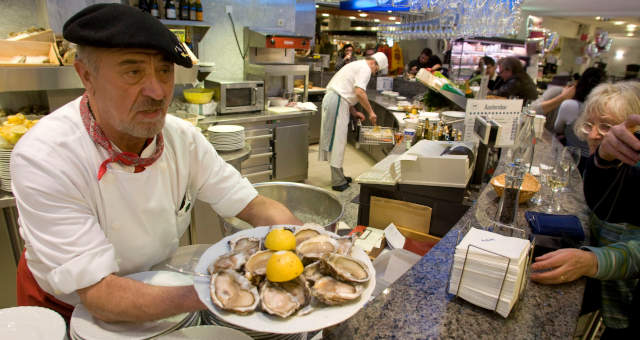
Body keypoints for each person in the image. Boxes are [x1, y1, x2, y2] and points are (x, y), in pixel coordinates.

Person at [12, 3, 301, 324]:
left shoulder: (183, 139)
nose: (157, 90)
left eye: (164, 71)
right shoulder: (46, 157)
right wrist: (220, 291)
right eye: (133, 71)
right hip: (69, 306)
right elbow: (100, 296)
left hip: (152, 290)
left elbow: (255, 205)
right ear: (86, 76)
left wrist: (305, 247)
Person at [531, 82, 640, 338]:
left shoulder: (632, 173)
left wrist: (590, 260)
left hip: (616, 302)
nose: (593, 135)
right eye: (589, 125)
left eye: (607, 127)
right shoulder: (602, 164)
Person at [319, 52, 388, 192]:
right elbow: (359, 92)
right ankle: (338, 181)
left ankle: (340, 175)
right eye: (377, 70)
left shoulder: (358, 65)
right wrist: (371, 112)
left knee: (339, 140)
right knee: (337, 141)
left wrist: (354, 112)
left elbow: (346, 90)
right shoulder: (366, 68)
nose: (375, 72)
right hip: (337, 101)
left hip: (338, 100)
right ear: (375, 64)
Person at [553, 67, 605, 170]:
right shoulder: (605, 111)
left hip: (569, 158)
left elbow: (558, 129)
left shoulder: (569, 105)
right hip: (595, 163)